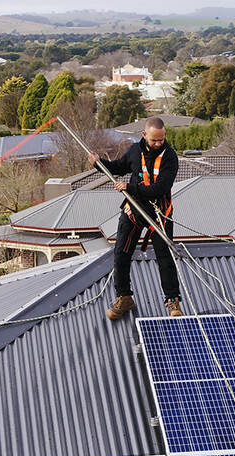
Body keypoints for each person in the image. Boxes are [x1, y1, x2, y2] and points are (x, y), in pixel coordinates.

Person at [88, 116, 183, 319]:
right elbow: (117, 168)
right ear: (144, 135)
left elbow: (161, 188)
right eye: (154, 140)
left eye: (161, 140)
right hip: (134, 210)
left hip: (159, 212)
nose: (158, 144)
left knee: (165, 257)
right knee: (121, 252)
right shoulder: (134, 151)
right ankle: (124, 297)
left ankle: (172, 301)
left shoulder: (170, 157)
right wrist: (98, 163)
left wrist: (130, 187)